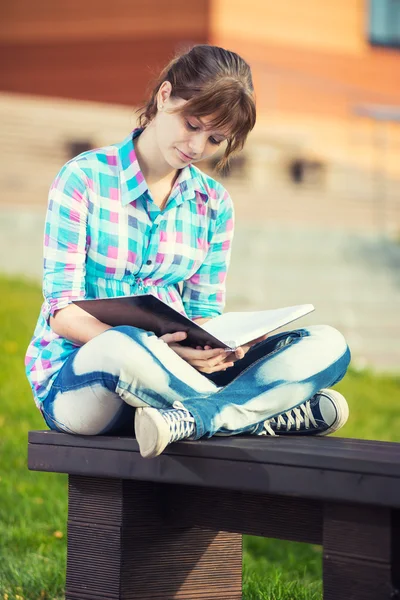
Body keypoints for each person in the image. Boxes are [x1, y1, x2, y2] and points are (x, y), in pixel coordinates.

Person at [25, 44, 351, 459]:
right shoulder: (84, 179)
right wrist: (157, 351)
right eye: (192, 124)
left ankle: (200, 418)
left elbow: (204, 314)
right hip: (86, 377)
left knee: (328, 343)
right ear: (164, 97)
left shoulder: (213, 204)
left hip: (180, 381)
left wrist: (222, 345)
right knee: (123, 346)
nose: (197, 147)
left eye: (215, 139)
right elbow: (62, 312)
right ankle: (262, 414)